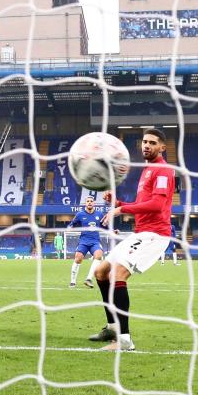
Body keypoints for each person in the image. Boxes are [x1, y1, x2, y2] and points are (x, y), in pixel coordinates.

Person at [88, 129, 175, 351]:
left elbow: (156, 205)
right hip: (141, 232)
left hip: (154, 235)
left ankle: (125, 341)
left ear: (162, 147)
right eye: (144, 142)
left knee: (117, 274)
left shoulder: (163, 171)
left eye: (152, 143)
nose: (146, 145)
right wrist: (118, 202)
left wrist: (121, 210)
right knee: (100, 272)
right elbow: (143, 207)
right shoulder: (148, 170)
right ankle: (112, 328)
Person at [67, 196, 108, 288]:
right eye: (88, 201)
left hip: (95, 241)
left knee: (99, 255)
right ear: (85, 203)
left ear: (94, 203)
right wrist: (69, 227)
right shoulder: (80, 214)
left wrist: (113, 230)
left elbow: (105, 226)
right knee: (78, 258)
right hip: (84, 241)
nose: (89, 202)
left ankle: (89, 279)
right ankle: (73, 282)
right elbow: (72, 224)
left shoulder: (99, 214)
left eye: (91, 201)